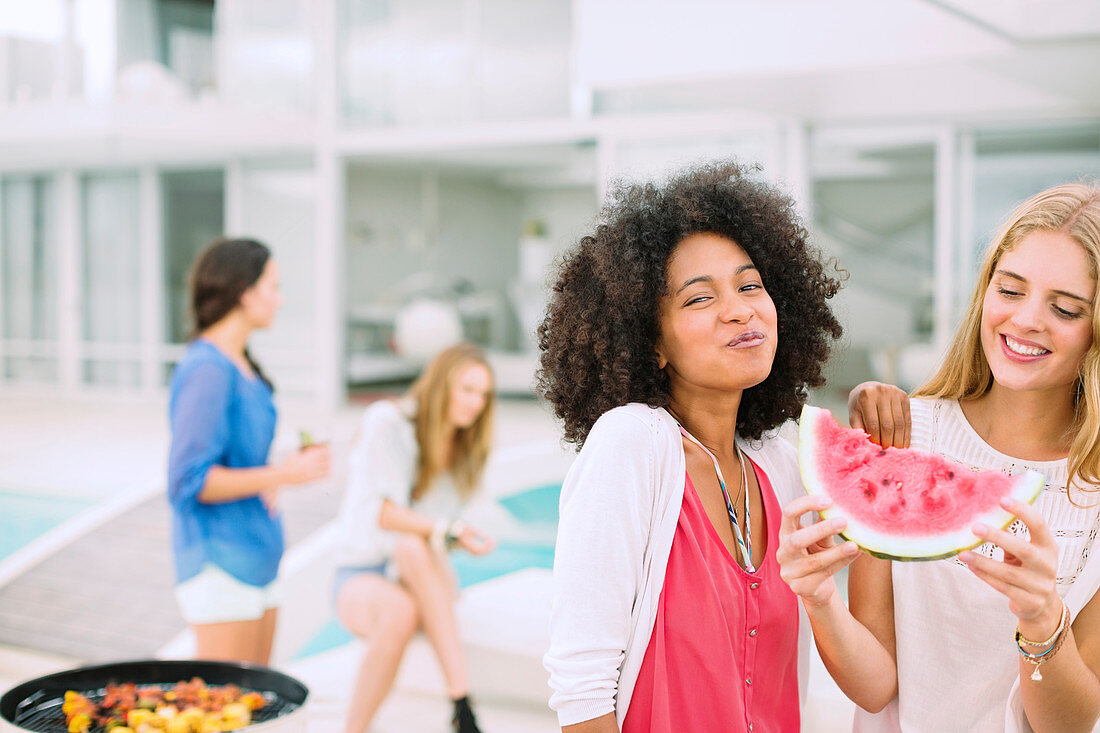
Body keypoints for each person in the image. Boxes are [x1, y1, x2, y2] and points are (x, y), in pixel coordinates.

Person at [777, 182, 1100, 732]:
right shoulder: (903, 438)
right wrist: (819, 598)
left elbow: (1066, 725)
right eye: (1011, 290)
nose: (1025, 321)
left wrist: (1043, 623)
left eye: (1065, 308)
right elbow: (877, 687)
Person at [538, 161, 845, 732]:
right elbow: (582, 688)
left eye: (750, 285)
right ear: (651, 342)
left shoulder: (781, 464)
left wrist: (902, 419)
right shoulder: (632, 443)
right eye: (699, 299)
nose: (740, 308)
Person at [167, 237, 332, 665]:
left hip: (256, 559)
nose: (279, 300)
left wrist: (274, 474)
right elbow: (188, 481)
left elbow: (237, 466)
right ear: (244, 291)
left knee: (258, 711)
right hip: (221, 566)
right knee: (229, 715)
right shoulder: (207, 369)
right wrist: (284, 475)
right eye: (273, 287)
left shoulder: (241, 365)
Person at [333, 342, 497, 733]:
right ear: (442, 384)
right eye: (467, 390)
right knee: (400, 601)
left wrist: (457, 538)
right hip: (363, 572)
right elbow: (384, 514)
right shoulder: (387, 421)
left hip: (421, 570)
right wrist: (447, 532)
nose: (476, 404)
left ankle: (461, 706)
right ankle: (460, 704)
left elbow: (435, 535)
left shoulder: (463, 451)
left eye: (484, 395)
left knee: (414, 549)